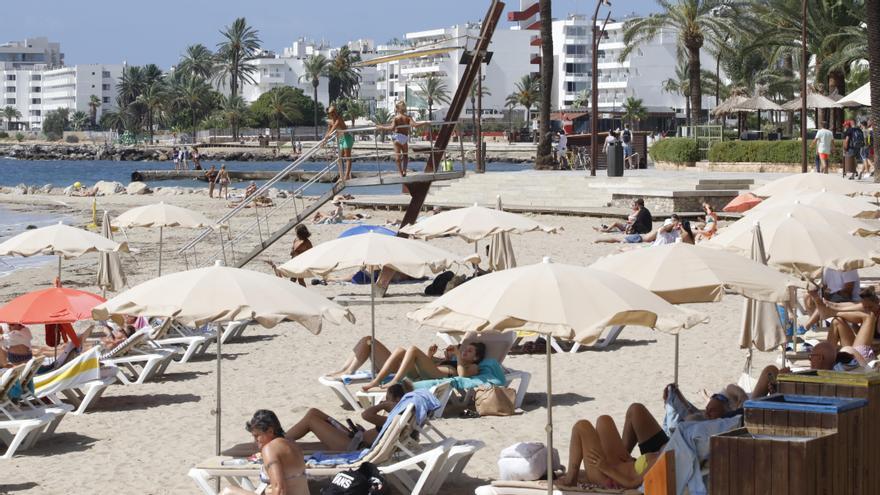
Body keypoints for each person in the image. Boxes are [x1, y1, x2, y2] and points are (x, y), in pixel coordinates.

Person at [284, 384, 408, 451]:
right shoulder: (397, 419)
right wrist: (362, 432)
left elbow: (366, 414)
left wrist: (384, 406)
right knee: (314, 412)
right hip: (354, 439)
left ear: (397, 400)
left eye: (388, 399)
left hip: (352, 447)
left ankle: (279, 442)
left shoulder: (393, 420)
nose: (385, 401)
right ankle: (282, 442)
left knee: (311, 419)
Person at [220, 410, 309, 495]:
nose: (255, 441)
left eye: (257, 436)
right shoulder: (292, 444)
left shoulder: (270, 449)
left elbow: (279, 489)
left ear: (270, 431)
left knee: (228, 491)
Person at [361, 341, 487, 391]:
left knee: (413, 349)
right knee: (400, 350)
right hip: (425, 374)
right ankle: (376, 381)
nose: (465, 351)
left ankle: (395, 380)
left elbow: (462, 376)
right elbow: (430, 365)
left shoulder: (474, 367)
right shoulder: (454, 360)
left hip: (440, 377)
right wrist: (430, 356)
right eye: (465, 349)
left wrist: (458, 355)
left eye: (469, 351)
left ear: (476, 358)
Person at [382, 101, 427, 177]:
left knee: (398, 157)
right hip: (404, 137)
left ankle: (400, 172)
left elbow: (392, 128)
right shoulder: (408, 117)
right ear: (404, 108)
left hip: (397, 137)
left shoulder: (396, 118)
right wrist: (425, 122)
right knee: (405, 155)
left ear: (397, 109)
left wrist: (381, 127)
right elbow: (415, 125)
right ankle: (404, 171)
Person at [325, 105, 353, 181]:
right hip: (341, 139)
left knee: (347, 157)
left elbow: (333, 128)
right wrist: (324, 141)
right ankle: (341, 176)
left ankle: (347, 176)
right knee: (339, 158)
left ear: (336, 111)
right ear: (329, 114)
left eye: (334, 111)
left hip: (347, 138)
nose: (333, 113)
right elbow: (328, 131)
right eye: (331, 112)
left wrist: (328, 136)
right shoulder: (330, 122)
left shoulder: (339, 119)